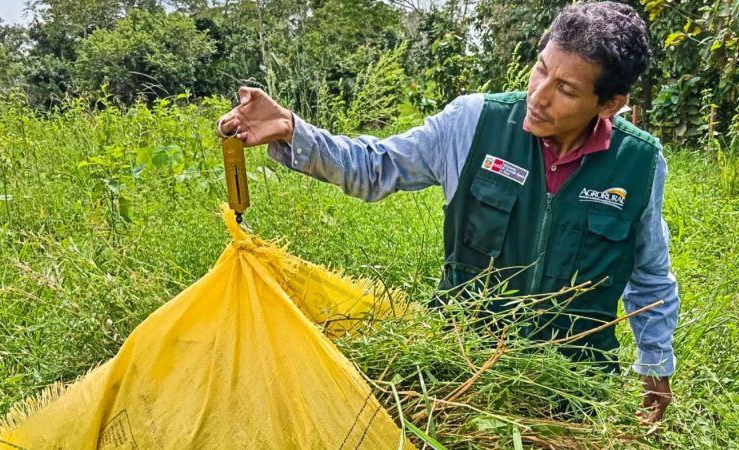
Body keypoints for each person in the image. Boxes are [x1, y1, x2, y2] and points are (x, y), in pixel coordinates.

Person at [217, 1, 678, 423]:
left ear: (610, 105)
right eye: (540, 70)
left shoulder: (638, 163)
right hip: (458, 371)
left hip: (573, 391)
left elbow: (651, 276)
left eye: (566, 89)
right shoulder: (474, 122)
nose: (538, 95)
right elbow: (377, 165)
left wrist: (656, 367)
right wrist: (292, 131)